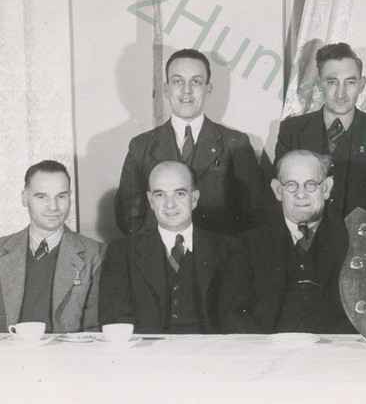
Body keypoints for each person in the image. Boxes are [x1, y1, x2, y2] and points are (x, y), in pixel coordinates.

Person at [116, 48, 266, 236]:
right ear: (165, 88)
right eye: (178, 81)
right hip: (157, 259)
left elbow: (255, 214)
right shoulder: (141, 146)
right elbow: (128, 216)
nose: (186, 91)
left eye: (196, 82)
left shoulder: (235, 144)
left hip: (220, 260)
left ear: (208, 88)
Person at [263, 42, 366, 219]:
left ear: (362, 85)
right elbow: (280, 196)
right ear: (319, 84)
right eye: (332, 82)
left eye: (350, 82)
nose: (341, 93)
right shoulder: (292, 130)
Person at [221, 150, 352, 333]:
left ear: (327, 188)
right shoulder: (247, 244)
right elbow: (233, 314)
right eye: (291, 185)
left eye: (311, 185)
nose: (301, 194)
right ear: (278, 190)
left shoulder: (352, 241)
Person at [101, 160, 234, 333]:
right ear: (150, 200)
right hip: (147, 356)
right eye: (160, 194)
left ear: (194, 198)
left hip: (208, 355)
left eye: (179, 193)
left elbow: (235, 318)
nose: (169, 204)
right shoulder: (121, 252)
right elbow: (115, 319)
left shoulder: (228, 249)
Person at [0, 160, 105, 332]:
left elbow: (94, 331)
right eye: (41, 197)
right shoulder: (2, 250)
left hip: (66, 357)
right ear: (24, 198)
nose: (53, 207)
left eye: (61, 196)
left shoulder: (95, 255)